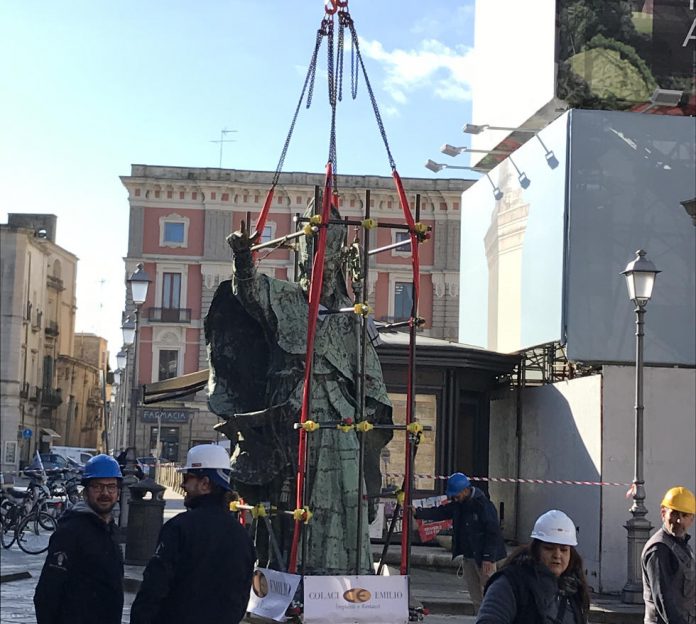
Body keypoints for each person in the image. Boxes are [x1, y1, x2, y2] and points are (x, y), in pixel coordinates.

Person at [205, 202, 393, 574]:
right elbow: (249, 293)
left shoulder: (351, 315)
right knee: (288, 502)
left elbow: (369, 379)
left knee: (345, 497)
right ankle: (289, 576)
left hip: (341, 422)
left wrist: (367, 413)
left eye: (331, 261)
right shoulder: (284, 297)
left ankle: (342, 576)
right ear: (305, 260)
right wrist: (243, 258)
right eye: (317, 260)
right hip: (290, 418)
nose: (324, 270)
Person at [130, 444, 255, 624]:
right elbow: (241, 596)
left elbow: (154, 586)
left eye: (187, 478)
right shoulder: (242, 536)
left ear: (204, 483)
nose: (182, 484)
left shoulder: (179, 528)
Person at [34, 454, 124, 624]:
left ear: (118, 492)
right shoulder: (70, 531)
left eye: (111, 487)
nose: (105, 493)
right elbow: (46, 594)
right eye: (97, 486)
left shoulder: (110, 529)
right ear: (86, 491)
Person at [414, 472, 507, 613]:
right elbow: (442, 512)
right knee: (476, 597)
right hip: (469, 556)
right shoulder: (459, 504)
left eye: (456, 495)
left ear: (465, 490)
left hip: (484, 558)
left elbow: (493, 532)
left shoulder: (483, 505)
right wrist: (419, 513)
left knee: (489, 595)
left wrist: (488, 558)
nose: (454, 498)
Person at [476, 509, 590, 624]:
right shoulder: (510, 583)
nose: (557, 555)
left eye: (564, 550)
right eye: (549, 548)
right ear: (536, 549)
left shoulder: (574, 588)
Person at [642, 485, 695, 624]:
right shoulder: (659, 549)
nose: (679, 521)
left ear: (692, 519)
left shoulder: (682, 545)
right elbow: (665, 602)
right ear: (663, 513)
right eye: (675, 514)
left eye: (685, 515)